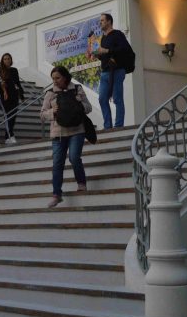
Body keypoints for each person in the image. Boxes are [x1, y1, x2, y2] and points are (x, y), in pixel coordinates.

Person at [41, 65, 93, 208]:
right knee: (57, 163)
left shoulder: (77, 89)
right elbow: (42, 114)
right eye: (53, 78)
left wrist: (79, 104)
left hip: (77, 130)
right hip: (58, 134)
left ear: (65, 77)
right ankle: (56, 194)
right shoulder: (50, 93)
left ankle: (81, 183)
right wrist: (52, 112)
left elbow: (89, 108)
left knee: (74, 157)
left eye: (57, 78)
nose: (55, 81)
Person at [90, 13, 130, 129]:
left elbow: (124, 49)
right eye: (100, 21)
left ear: (109, 21)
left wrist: (106, 50)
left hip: (117, 70)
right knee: (102, 99)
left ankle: (118, 126)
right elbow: (105, 55)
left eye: (102, 20)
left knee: (117, 99)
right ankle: (108, 126)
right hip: (105, 72)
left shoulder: (117, 34)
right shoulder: (103, 37)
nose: (100, 22)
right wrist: (97, 55)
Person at [0, 53, 25, 145]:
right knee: (7, 116)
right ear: (2, 60)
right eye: (5, 59)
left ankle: (7, 136)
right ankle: (11, 135)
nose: (7, 60)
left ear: (11, 60)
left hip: (14, 96)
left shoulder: (14, 70)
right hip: (4, 96)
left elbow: (17, 83)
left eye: (8, 59)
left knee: (13, 116)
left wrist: (21, 95)